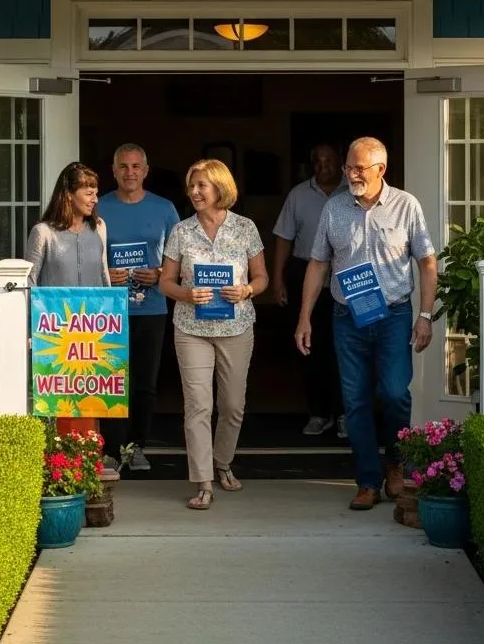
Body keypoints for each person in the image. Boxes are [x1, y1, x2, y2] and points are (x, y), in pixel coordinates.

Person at [294, 137, 438, 511]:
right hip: (348, 317)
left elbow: (427, 262)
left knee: (394, 393)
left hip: (393, 315)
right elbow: (318, 263)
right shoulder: (334, 208)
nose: (351, 174)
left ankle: (396, 462)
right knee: (354, 402)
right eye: (349, 167)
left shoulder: (406, 205)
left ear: (381, 169)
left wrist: (425, 316)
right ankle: (367, 481)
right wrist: (304, 316)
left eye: (359, 168)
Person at [158, 158, 269, 511]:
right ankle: (203, 481)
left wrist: (247, 290)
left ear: (220, 187)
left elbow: (262, 277)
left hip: (236, 328)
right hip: (192, 330)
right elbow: (165, 282)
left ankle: (223, 462)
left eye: (201, 185)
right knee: (198, 406)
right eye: (191, 186)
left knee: (233, 405)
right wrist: (186, 294)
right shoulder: (181, 231)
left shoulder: (245, 228)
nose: (194, 192)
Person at [96, 143, 180, 474]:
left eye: (135, 167)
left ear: (145, 171)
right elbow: (86, 253)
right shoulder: (99, 207)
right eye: (123, 166)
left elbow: (180, 256)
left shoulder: (164, 208)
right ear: (114, 171)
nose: (129, 172)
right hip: (109, 309)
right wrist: (106, 273)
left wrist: (160, 274)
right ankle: (112, 450)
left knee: (145, 382)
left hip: (152, 308)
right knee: (111, 380)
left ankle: (137, 447)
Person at [271, 143, 346, 438]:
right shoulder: (298, 194)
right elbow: (283, 238)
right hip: (304, 273)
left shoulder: (352, 191)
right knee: (310, 346)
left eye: (329, 161)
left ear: (341, 162)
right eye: (317, 161)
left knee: (344, 346)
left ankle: (344, 413)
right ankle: (319, 413)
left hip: (344, 273)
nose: (323, 166)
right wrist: (277, 279)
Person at [25, 161, 110, 289]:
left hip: (94, 303)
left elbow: (103, 274)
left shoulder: (99, 227)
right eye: (89, 194)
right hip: (54, 303)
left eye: (96, 193)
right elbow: (30, 282)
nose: (95, 199)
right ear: (69, 194)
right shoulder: (43, 232)